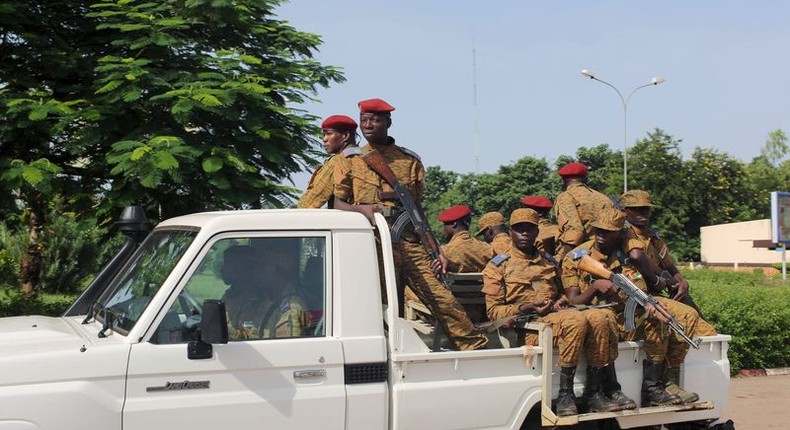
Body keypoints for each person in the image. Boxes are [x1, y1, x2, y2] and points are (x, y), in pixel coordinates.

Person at [333, 98, 487, 351]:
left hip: (408, 240)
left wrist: (435, 249)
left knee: (441, 296)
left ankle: (475, 348)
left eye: (375, 120)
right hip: (373, 241)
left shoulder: (409, 160)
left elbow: (417, 210)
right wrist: (363, 210)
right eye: (364, 120)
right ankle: (380, 354)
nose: (368, 125)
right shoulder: (349, 159)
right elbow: (338, 204)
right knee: (378, 302)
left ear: (388, 123)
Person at [561, 208, 704, 407]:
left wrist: (650, 301)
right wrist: (594, 288)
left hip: (628, 314)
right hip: (599, 316)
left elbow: (643, 286)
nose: (601, 236)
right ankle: (609, 389)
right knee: (605, 319)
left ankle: (655, 386)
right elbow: (573, 301)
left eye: (608, 232)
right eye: (598, 230)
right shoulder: (577, 258)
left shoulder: (627, 255)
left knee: (667, 314)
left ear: (620, 233)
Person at [482, 208, 612, 416]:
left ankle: (594, 391)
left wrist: (559, 302)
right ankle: (565, 394)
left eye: (529, 229)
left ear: (537, 233)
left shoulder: (549, 262)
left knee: (598, 317)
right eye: (519, 229)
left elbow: (563, 294)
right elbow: (494, 312)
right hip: (527, 328)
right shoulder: (498, 266)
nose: (524, 233)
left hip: (555, 319)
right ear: (510, 232)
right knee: (575, 320)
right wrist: (526, 307)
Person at [619, 189, 717, 401]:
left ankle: (674, 378)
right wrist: (659, 278)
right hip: (638, 297)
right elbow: (637, 256)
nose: (642, 213)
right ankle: (667, 381)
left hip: (660, 295)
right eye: (636, 210)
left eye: (645, 209)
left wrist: (680, 281)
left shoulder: (653, 236)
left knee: (710, 335)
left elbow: (668, 264)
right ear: (624, 211)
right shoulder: (623, 234)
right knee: (683, 318)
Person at [220, 244, 307, 340]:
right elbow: (255, 334)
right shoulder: (269, 300)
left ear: (276, 271)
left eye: (262, 266)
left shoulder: (291, 309)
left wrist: (225, 330)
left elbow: (286, 350)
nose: (256, 271)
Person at [554, 162, 614, 262]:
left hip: (580, 255)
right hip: (606, 254)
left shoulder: (566, 197)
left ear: (563, 180)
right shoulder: (604, 199)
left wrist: (563, 261)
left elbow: (574, 232)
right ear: (586, 179)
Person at [297, 115, 358, 208]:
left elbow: (311, 202)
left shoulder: (338, 161)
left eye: (329, 134)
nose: (324, 139)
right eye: (324, 135)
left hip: (346, 220)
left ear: (345, 136)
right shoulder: (365, 155)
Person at [438, 204, 494, 273]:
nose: (443, 230)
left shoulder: (444, 253)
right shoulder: (488, 249)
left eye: (445, 224)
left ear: (454, 224)